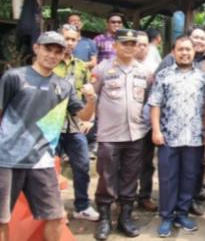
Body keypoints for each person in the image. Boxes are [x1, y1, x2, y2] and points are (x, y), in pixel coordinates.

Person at [0, 31, 96, 241]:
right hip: (8, 159)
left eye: (57, 52)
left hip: (42, 161)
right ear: (36, 48)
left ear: (63, 55)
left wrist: (91, 100)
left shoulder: (63, 86)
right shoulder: (14, 77)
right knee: (2, 219)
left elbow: (82, 116)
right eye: (47, 49)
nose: (52, 55)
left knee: (55, 216)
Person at [93, 29, 153, 240]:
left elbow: (148, 100)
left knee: (130, 177)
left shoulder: (144, 72)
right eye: (124, 43)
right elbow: (93, 96)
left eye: (132, 43)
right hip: (109, 134)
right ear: (115, 45)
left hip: (135, 134)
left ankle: (125, 218)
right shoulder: (102, 69)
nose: (129, 47)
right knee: (106, 178)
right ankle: (104, 219)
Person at [148, 36, 205, 237]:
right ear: (173, 52)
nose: (184, 53)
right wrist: (156, 130)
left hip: (194, 137)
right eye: (180, 49)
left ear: (194, 52)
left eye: (188, 49)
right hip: (168, 136)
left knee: (189, 177)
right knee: (167, 178)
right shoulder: (164, 75)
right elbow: (155, 104)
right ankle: (166, 216)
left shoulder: (203, 77)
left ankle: (182, 213)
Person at [54, 25, 99, 221]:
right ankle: (53, 210)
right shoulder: (50, 63)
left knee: (81, 166)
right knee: (49, 170)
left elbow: (89, 93)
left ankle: (82, 206)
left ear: (78, 41)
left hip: (74, 125)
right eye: (66, 38)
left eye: (73, 39)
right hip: (50, 126)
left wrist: (92, 118)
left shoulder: (81, 66)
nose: (69, 43)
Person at [133, 31, 159, 213]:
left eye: (145, 44)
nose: (142, 47)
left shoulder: (153, 70)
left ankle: (144, 196)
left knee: (146, 162)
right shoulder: (119, 66)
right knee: (126, 163)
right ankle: (123, 198)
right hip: (125, 124)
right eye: (138, 44)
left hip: (146, 124)